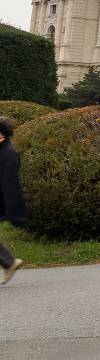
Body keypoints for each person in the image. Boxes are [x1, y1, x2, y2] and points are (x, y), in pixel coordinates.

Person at [1, 117, 28, 285]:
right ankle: (9, 262)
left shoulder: (9, 153)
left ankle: (9, 262)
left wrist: (13, 209)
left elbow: (11, 184)